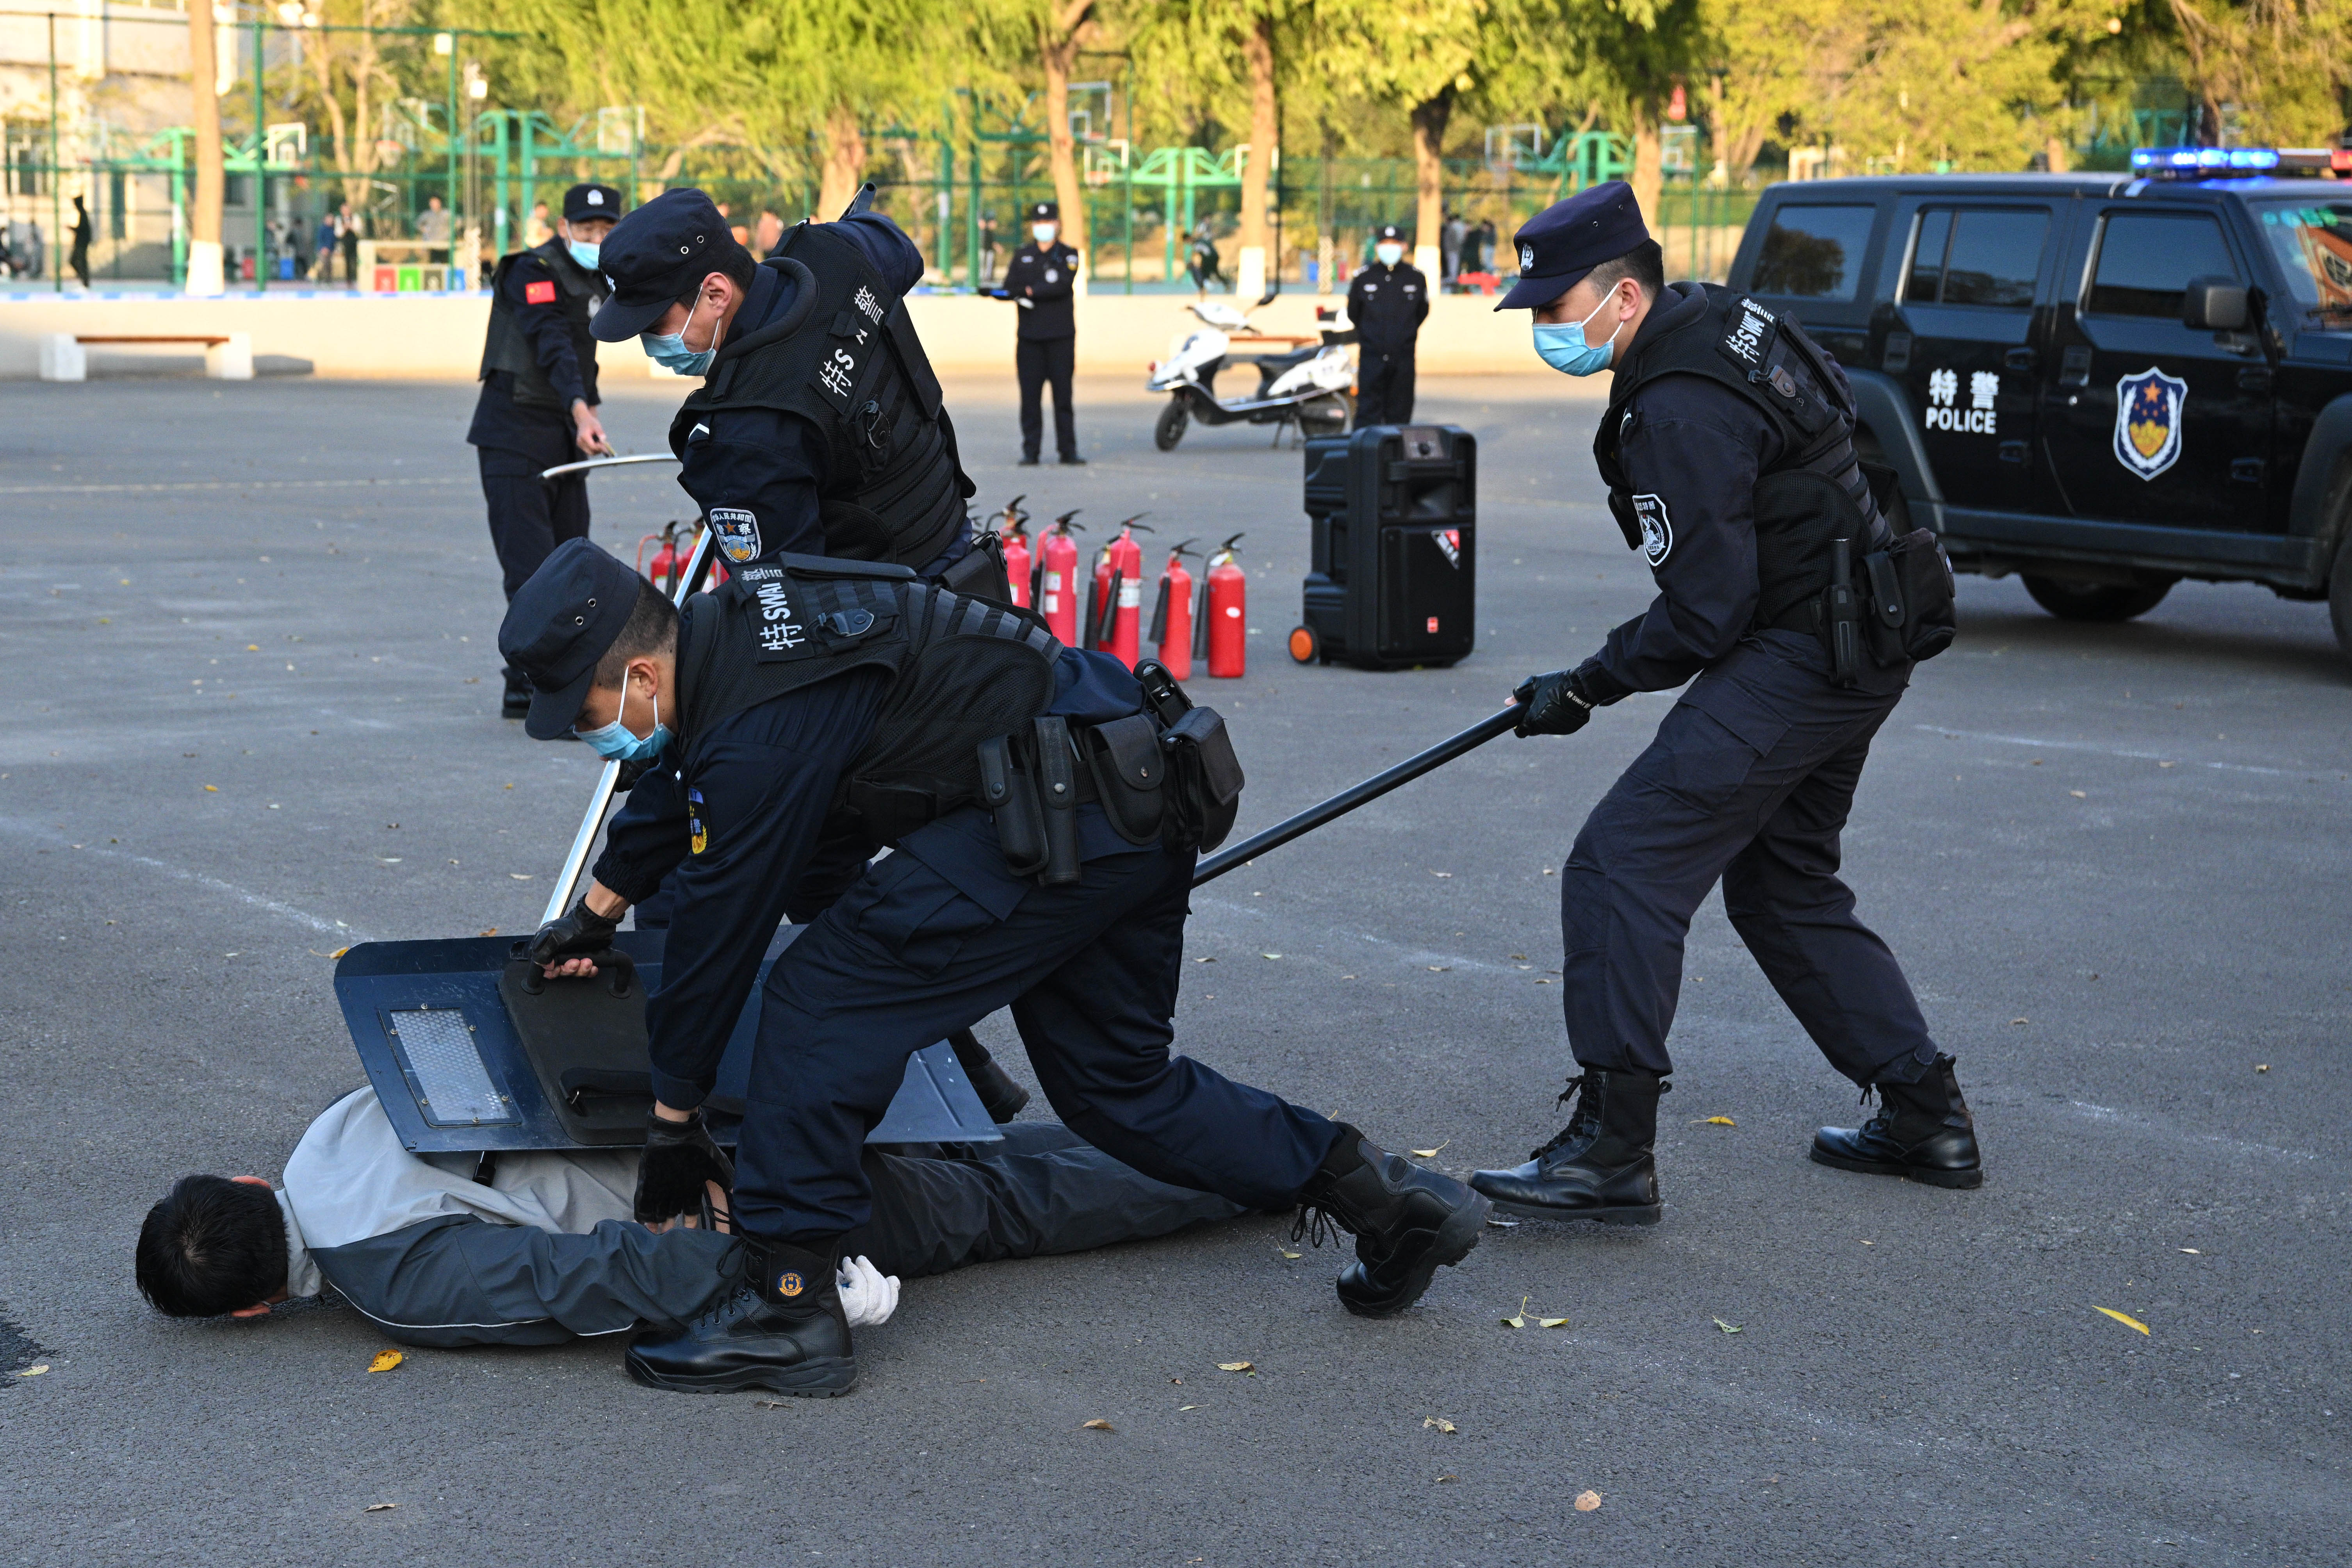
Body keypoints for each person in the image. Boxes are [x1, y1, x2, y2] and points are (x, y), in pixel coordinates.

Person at [498, 539, 1490, 1396]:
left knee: (819, 998)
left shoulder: (760, 717)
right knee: (1117, 1087)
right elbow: (683, 785)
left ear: (633, 673)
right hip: (1127, 792)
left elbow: (722, 931)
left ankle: (790, 1304)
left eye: (581, 709)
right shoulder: (739, 632)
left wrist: (674, 1119)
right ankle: (1388, 1202)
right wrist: (597, 911)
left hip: (1056, 812)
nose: (588, 732)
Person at [1472, 181, 1980, 1226]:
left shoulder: (1676, 407)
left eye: (1555, 310)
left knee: (1622, 864)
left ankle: (1611, 1154)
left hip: (1805, 649)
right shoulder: (1724, 318)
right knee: (1783, 883)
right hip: (1858, 631)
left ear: (1620, 296)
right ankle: (1926, 1114)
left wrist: (1588, 684)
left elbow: (1706, 611)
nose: (1544, 330)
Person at [135, 1084, 1247, 1349]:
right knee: (991, 1150)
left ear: (259, 1309)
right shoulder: (334, 1124)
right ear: (243, 1183)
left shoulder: (389, 1280)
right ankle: (1262, 1139)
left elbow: (598, 1281)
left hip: (738, 1195)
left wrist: (778, 1279)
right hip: (709, 1089)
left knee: (1004, 1196)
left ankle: (1284, 1171)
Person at [589, 187, 978, 583]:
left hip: (895, 626)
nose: (650, 343)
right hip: (963, 564)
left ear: (716, 293)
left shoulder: (740, 437)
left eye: (655, 325)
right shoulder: (837, 252)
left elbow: (785, 608)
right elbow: (897, 246)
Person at [467, 182, 621, 720]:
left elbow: (586, 356)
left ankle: (526, 685)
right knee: (532, 572)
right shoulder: (530, 271)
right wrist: (583, 410)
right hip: (513, 435)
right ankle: (537, 688)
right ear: (563, 229)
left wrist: (587, 411)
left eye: (606, 231)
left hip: (562, 438)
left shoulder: (601, 280)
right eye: (586, 230)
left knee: (573, 564)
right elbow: (552, 342)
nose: (596, 239)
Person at [996, 199, 1083, 468]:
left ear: (1057, 224)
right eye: (1038, 222)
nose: (1043, 227)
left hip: (1060, 338)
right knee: (1030, 399)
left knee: (1063, 399)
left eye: (1048, 222)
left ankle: (1068, 451)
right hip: (1030, 339)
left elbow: (1059, 286)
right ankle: (1031, 451)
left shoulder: (1068, 255)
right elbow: (1010, 287)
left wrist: (1030, 290)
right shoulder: (1022, 255)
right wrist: (1001, 292)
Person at [1347, 223, 1428, 428]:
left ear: (1405, 247)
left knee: (1400, 414)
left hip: (1403, 358)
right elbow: (1354, 313)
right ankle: (1365, 456)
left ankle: (1394, 458)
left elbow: (1421, 312)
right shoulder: (1364, 277)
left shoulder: (1416, 278)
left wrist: (1403, 335)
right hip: (1371, 357)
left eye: (1394, 243)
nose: (1389, 247)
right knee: (1367, 413)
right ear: (1377, 247)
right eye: (1384, 243)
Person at [418, 194, 453, 262]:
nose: (434, 205)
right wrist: (423, 229)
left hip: (444, 245)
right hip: (432, 245)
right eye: (432, 203)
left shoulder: (447, 214)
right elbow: (418, 224)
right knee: (431, 267)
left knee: (445, 266)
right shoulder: (427, 215)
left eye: (436, 203)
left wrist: (450, 232)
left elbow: (457, 223)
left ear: (440, 203)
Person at [68, 196, 92, 289]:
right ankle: (83, 279)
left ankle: (85, 282)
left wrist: (72, 228)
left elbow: (83, 229)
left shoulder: (83, 214)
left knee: (82, 262)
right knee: (74, 261)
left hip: (82, 243)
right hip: (80, 243)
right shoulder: (82, 213)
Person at [313, 208, 339, 284]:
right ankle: (318, 279)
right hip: (323, 250)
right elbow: (320, 239)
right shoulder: (322, 229)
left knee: (329, 266)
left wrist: (333, 249)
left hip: (330, 250)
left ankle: (329, 281)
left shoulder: (333, 229)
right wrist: (323, 248)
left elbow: (334, 240)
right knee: (323, 265)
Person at [339, 203, 360, 284]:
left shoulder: (355, 218)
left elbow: (359, 229)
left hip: (354, 241)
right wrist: (345, 228)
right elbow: (339, 233)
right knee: (347, 261)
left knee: (355, 260)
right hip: (346, 241)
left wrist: (351, 227)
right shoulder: (340, 219)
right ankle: (349, 279)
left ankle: (357, 277)